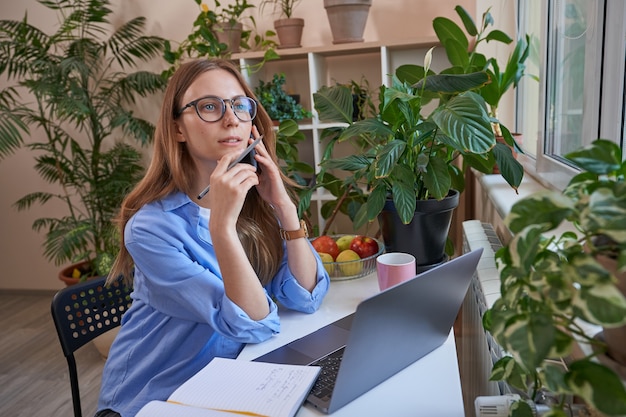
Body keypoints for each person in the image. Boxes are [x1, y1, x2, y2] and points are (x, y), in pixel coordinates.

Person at [95, 58, 330, 417]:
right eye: (209, 107)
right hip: (159, 398)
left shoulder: (255, 203)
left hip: (234, 379)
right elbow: (252, 323)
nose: (231, 118)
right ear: (177, 129)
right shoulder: (149, 229)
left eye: (240, 105)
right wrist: (222, 225)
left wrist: (283, 206)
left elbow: (306, 296)